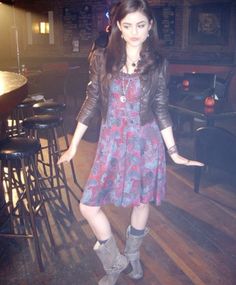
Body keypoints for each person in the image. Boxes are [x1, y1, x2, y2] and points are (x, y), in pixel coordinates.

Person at [58, 1, 204, 284]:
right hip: (111, 141)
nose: (134, 31)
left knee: (141, 200)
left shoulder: (158, 63)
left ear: (150, 27)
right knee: (88, 206)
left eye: (140, 25)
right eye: (127, 25)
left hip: (144, 143)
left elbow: (161, 106)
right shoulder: (101, 59)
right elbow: (92, 100)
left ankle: (133, 256)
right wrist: (74, 144)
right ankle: (115, 263)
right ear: (117, 28)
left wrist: (174, 152)